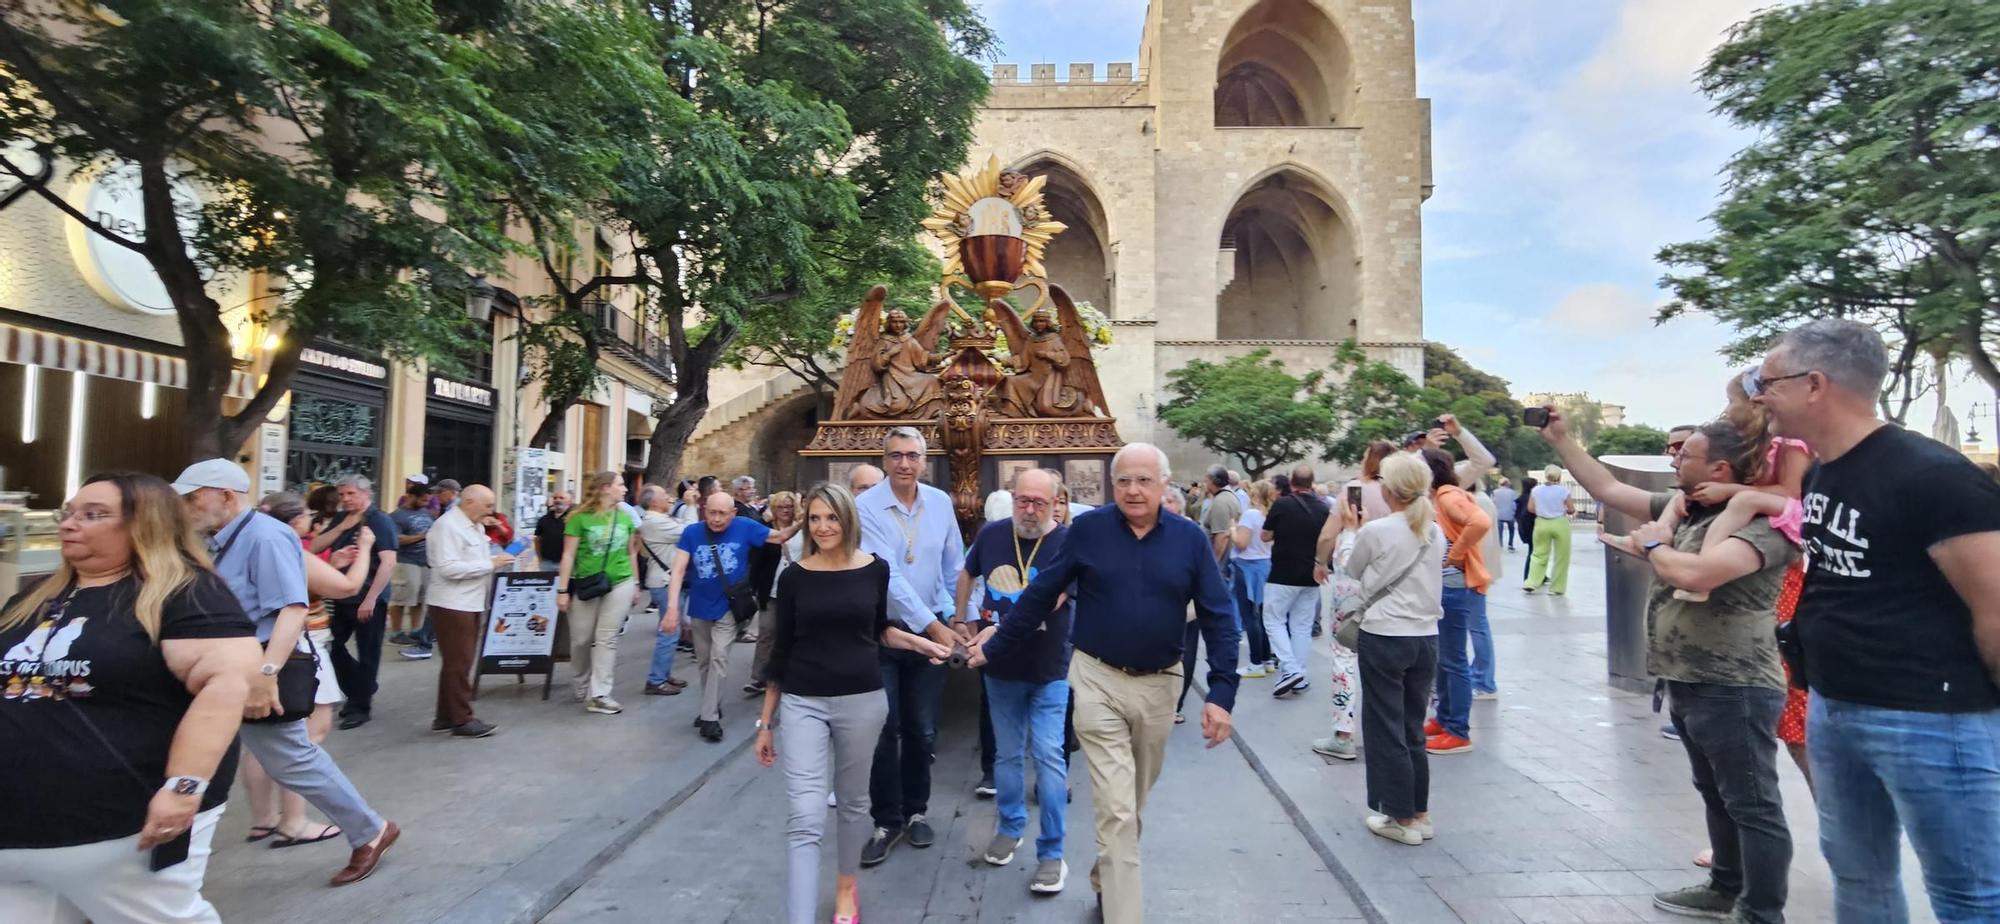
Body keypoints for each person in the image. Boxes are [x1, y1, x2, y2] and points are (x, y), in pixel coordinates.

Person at [1754, 319, 2000, 922]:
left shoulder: (1933, 476)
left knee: (1969, 890)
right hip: (1836, 706)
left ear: (1814, 385)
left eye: (1768, 383)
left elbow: (1994, 603)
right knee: (1858, 874)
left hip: (1933, 716)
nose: (1759, 396)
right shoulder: (1822, 473)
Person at [1543, 414, 1798, 923]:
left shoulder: (1763, 524)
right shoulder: (1691, 509)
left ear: (1720, 466)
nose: (1675, 459)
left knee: (1752, 804)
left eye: (1685, 455)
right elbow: (1610, 489)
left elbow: (1699, 572)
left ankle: (1761, 911)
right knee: (1716, 792)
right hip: (1687, 676)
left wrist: (1655, 544)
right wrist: (1561, 440)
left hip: (1734, 682)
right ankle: (1725, 885)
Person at [969, 443, 1237, 924]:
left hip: (1160, 687)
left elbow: (1218, 616)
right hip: (1096, 681)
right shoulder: (1088, 531)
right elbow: (1040, 594)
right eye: (1124, 481)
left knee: (1132, 804)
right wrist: (993, 645)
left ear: (1163, 484)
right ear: (1113, 486)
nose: (1133, 491)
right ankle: (1122, 912)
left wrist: (1221, 694)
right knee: (1115, 810)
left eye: (1144, 480)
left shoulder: (1189, 539)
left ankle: (1106, 874)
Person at [0, 473, 261, 924]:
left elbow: (226, 688)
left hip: (121, 826)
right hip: (19, 833)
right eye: (70, 513)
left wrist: (184, 789)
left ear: (144, 525)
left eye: (94, 515)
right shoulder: (35, 597)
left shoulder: (188, 595)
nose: (69, 524)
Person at [174, 461, 400, 885]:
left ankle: (370, 830)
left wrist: (265, 673)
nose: (187, 506)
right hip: (225, 666)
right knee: (269, 758)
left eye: (193, 496)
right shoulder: (220, 539)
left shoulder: (264, 534)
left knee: (292, 758)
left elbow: (292, 608)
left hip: (257, 664)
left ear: (225, 495)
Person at [756, 485, 952, 924]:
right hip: (804, 701)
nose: (823, 527)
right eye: (815, 519)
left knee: (852, 804)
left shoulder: (875, 570)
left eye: (832, 518)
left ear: (848, 520)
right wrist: (766, 722)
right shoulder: (794, 576)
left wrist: (924, 643)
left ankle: (847, 888)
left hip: (862, 700)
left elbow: (879, 630)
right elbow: (781, 650)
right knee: (805, 814)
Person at [957, 469, 1075, 894]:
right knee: (1007, 756)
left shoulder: (1067, 543)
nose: (1029, 510)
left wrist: (997, 630)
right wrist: (962, 619)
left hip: (1048, 669)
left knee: (1048, 756)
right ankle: (1010, 826)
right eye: (1022, 500)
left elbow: (1052, 601)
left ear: (1055, 502)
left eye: (1038, 503)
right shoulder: (991, 534)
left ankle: (1052, 854)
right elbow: (967, 572)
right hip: (1000, 669)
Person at [1318, 452, 1443, 846]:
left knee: (1384, 726)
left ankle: (1398, 815)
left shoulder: (1378, 531)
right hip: (1425, 636)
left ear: (1389, 490)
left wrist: (1352, 531)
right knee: (1412, 727)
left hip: (1386, 634)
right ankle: (1419, 812)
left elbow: (1349, 570)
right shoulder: (1434, 531)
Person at [855, 427, 965, 866]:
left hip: (935, 627)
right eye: (896, 455)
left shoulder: (939, 503)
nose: (905, 463)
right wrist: (933, 628)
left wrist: (962, 614)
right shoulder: (865, 507)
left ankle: (916, 810)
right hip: (882, 630)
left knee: (922, 729)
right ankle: (885, 820)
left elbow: (956, 561)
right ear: (885, 461)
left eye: (913, 456)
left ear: (924, 460)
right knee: (885, 729)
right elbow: (887, 575)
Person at [239, 491, 368, 849]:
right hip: (300, 651)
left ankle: (263, 819)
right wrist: (367, 549)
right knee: (308, 736)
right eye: (308, 515)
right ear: (295, 520)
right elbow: (348, 587)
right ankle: (294, 820)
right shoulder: (288, 548)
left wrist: (335, 558)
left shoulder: (249, 545)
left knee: (262, 740)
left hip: (257, 651)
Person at [664, 489, 799, 741]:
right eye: (711, 513)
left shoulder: (745, 526)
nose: (716, 519)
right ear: (704, 510)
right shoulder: (692, 533)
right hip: (700, 607)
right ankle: (711, 705)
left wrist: (804, 519)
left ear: (733, 513)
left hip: (730, 605)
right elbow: (679, 569)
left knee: (719, 658)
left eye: (722, 514)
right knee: (704, 662)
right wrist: (672, 608)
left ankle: (709, 718)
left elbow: (779, 537)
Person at [309, 476, 398, 729]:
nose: (345, 499)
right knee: (330, 645)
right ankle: (363, 686)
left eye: (350, 494)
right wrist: (342, 526)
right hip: (340, 596)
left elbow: (388, 562)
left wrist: (371, 599)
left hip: (368, 597)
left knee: (368, 652)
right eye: (342, 494)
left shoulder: (379, 520)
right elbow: (314, 546)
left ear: (365, 493)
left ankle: (359, 706)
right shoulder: (341, 519)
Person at [424, 485, 512, 738]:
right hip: (452, 602)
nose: (491, 510)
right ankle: (462, 719)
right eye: (487, 505)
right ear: (469, 501)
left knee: (456, 661)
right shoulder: (447, 526)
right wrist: (490, 564)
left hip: (469, 601)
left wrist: (494, 561)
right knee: (460, 662)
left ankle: (445, 715)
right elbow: (448, 568)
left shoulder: (477, 526)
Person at [1420, 449, 1490, 756]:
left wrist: (1456, 553)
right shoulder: (1443, 496)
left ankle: (1457, 729)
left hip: (1453, 584)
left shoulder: (1447, 495)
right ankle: (1446, 719)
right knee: (1445, 659)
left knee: (1453, 660)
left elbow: (1480, 521)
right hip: (1447, 584)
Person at [556, 471, 641, 716]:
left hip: (620, 582)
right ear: (605, 488)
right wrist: (562, 590)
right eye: (621, 485)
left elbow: (631, 553)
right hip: (586, 583)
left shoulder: (624, 517)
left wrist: (635, 583)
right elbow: (568, 555)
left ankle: (600, 693)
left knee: (607, 638)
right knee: (581, 639)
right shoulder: (579, 518)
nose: (625, 489)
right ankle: (581, 680)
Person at [637, 485, 693, 697]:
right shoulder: (655, 521)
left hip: (666, 580)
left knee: (672, 630)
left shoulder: (658, 520)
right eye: (664, 496)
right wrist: (691, 506)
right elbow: (690, 530)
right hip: (665, 581)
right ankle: (656, 679)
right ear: (652, 502)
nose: (669, 498)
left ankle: (663, 674)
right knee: (669, 631)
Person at [746, 490, 799, 695]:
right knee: (767, 633)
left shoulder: (803, 530)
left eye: (789, 506)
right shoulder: (765, 530)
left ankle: (791, 673)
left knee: (794, 633)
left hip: (797, 590)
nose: (785, 510)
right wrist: (753, 588)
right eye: (781, 507)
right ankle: (760, 676)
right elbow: (756, 562)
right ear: (773, 509)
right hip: (771, 590)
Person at [1231, 479, 1279, 682]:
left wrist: (1232, 529)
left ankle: (1255, 663)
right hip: (1265, 564)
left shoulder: (1250, 515)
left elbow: (1241, 543)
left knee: (1249, 615)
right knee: (1262, 617)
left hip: (1247, 566)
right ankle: (1267, 659)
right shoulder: (1271, 515)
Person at [1465, 478, 1503, 700]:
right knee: (1478, 625)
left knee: (1477, 626)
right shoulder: (1483, 500)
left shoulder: (1472, 502)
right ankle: (1481, 678)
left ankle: (1484, 680)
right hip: (1481, 569)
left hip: (1473, 570)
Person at [387, 477, 434, 650]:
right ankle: (396, 632)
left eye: (427, 501)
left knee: (421, 598)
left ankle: (416, 629)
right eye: (422, 500)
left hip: (425, 561)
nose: (425, 503)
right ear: (411, 496)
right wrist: (422, 536)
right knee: (401, 597)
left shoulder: (426, 513)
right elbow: (397, 539)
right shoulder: (397, 516)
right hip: (406, 561)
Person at [1522, 466, 1573, 595]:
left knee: (1538, 554)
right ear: (1559, 477)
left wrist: (1543, 510)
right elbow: (1571, 509)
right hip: (1559, 522)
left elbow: (1530, 508)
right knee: (1561, 556)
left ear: (1545, 475)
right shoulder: (1564, 491)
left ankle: (1531, 582)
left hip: (1541, 523)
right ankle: (1557, 588)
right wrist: (1563, 510)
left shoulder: (1536, 490)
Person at [533, 490, 572, 568]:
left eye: (561, 498)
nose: (557, 500)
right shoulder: (543, 519)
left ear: (569, 501)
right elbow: (537, 539)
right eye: (555, 498)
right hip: (547, 562)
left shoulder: (573, 519)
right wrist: (540, 559)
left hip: (567, 563)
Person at [1514, 476, 1538, 582]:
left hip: (1523, 527)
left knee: (1535, 551)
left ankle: (1536, 574)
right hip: (1532, 527)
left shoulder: (1521, 498)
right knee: (1534, 552)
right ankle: (1528, 576)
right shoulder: (1531, 498)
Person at [1490, 479, 1519, 551]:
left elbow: (1493, 502)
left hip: (1499, 514)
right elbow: (1514, 503)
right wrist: (1514, 512)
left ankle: (1500, 544)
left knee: (1499, 530)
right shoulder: (1512, 492)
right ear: (1507, 484)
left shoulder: (1495, 492)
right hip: (1510, 514)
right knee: (1511, 530)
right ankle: (1510, 544)